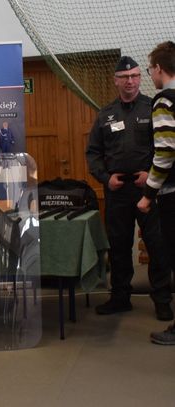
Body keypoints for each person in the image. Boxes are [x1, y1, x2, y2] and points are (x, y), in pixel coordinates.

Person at [86, 56, 172, 320]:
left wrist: (150, 176)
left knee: (157, 246)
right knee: (119, 247)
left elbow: (165, 148)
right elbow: (93, 153)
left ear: (140, 78)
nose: (130, 81)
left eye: (134, 76)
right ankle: (120, 297)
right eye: (124, 77)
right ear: (116, 81)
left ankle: (162, 300)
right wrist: (105, 178)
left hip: (148, 191)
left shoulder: (152, 107)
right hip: (117, 192)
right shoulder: (105, 114)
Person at [137, 41, 175, 344]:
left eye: (150, 70)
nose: (150, 75)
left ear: (159, 69)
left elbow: (165, 152)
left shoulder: (164, 101)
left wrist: (148, 194)